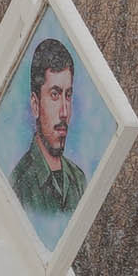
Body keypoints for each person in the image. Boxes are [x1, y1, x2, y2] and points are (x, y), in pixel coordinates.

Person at [8, 37, 85, 235]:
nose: (64, 112)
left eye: (68, 95)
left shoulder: (79, 180)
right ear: (35, 105)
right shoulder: (18, 184)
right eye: (54, 95)